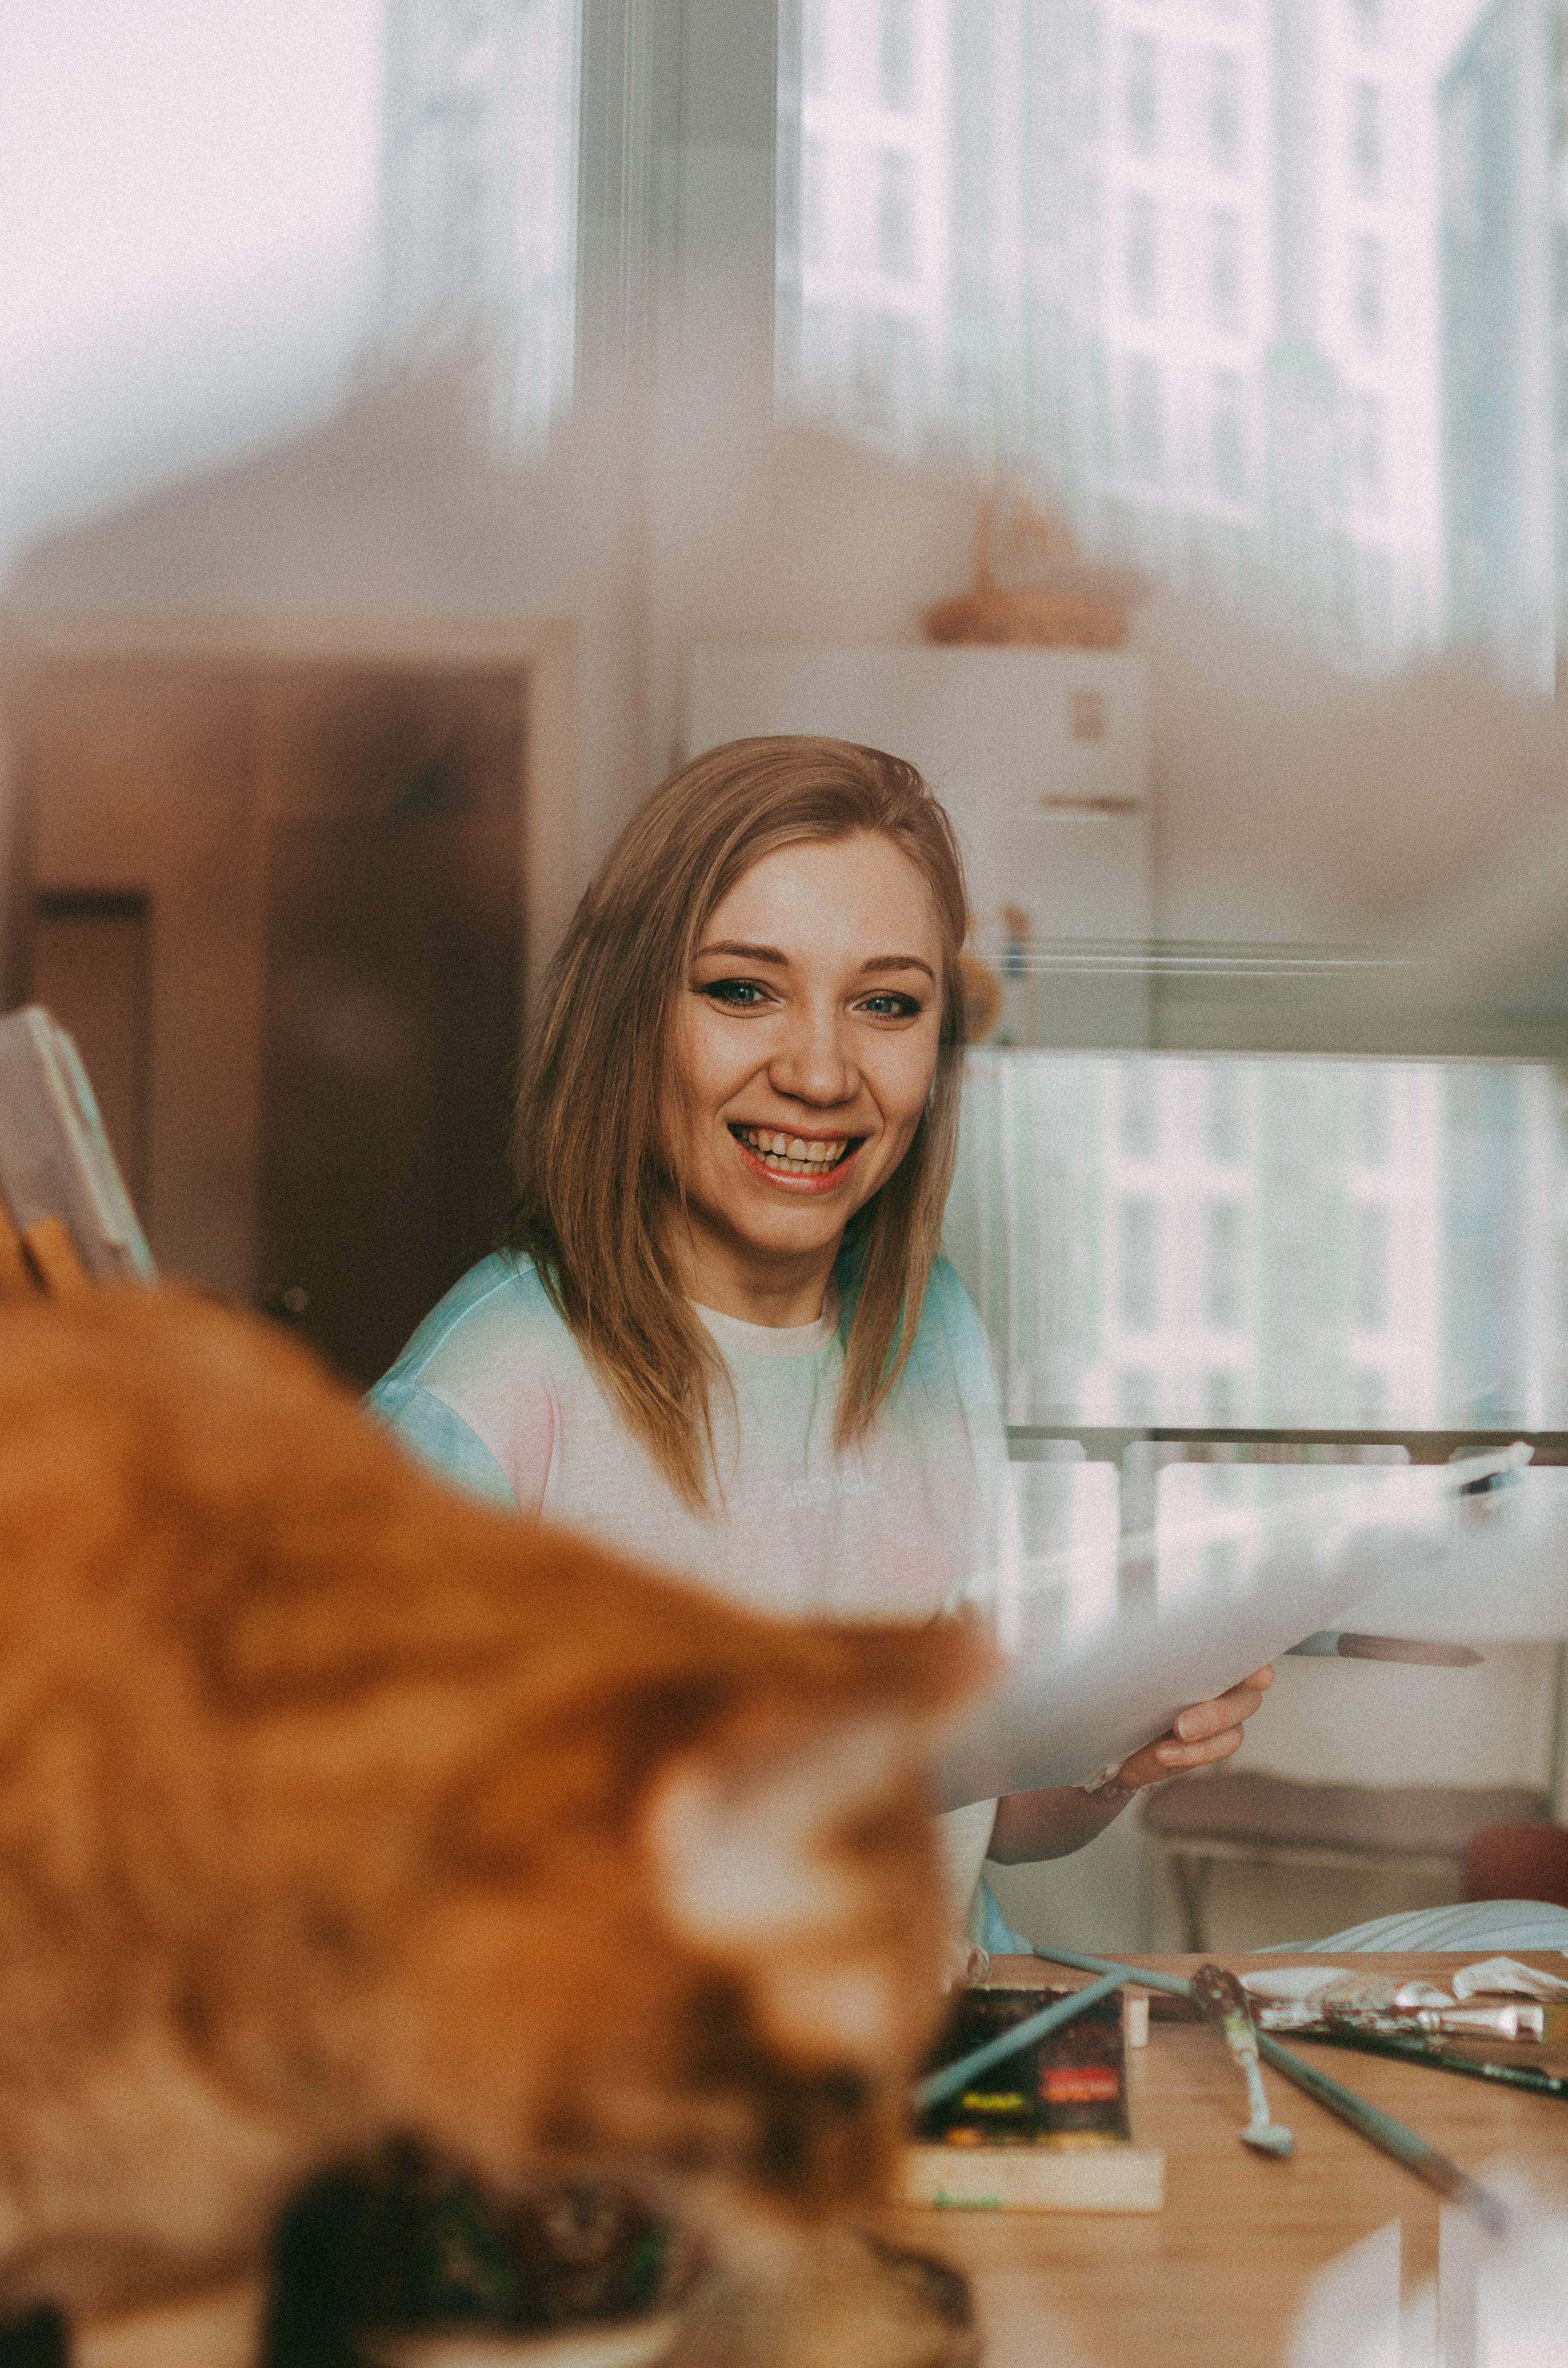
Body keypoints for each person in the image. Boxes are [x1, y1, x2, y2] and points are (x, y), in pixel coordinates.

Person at [369, 736, 1271, 1948]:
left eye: (885, 1004)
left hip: (944, 2047)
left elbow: (983, 1815)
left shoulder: (930, 1328)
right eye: (742, 989)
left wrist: (1114, 1747)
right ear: (627, 1016)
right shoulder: (484, 1394)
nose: (818, 1070)